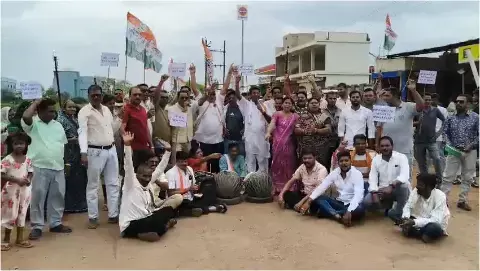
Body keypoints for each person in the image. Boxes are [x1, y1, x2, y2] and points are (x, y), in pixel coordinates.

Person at [21, 99, 71, 240]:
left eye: (54, 111)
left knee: (58, 196)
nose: (53, 113)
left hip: (58, 165)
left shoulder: (58, 125)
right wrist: (36, 103)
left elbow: (63, 145)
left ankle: (55, 223)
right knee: (38, 197)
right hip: (38, 166)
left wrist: (66, 163)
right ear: (40, 111)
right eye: (50, 111)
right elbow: (25, 116)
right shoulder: (32, 124)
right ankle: (37, 226)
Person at [119, 131, 181, 242]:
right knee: (155, 222)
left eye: (149, 177)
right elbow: (128, 165)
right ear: (137, 174)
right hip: (131, 224)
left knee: (168, 211)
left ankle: (160, 229)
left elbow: (160, 168)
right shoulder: (131, 182)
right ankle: (157, 229)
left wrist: (168, 151)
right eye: (144, 176)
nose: (147, 179)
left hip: (147, 216)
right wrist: (127, 145)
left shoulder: (149, 179)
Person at [78, 85, 120, 229]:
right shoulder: (84, 111)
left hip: (111, 149)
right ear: (88, 96)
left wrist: (120, 118)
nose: (96, 97)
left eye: (98, 95)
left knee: (113, 183)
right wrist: (83, 152)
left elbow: (111, 129)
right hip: (94, 151)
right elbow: (82, 132)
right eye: (93, 95)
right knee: (93, 185)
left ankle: (113, 215)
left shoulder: (107, 110)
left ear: (102, 96)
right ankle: (93, 217)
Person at [299, 151, 365, 227]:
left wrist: (349, 210)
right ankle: (336, 216)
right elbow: (322, 186)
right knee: (320, 198)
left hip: (352, 204)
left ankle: (330, 212)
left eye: (346, 160)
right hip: (339, 203)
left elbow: (358, 195)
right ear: (338, 162)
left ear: (350, 161)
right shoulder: (335, 173)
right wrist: (308, 201)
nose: (344, 163)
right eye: (341, 161)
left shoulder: (357, 174)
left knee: (360, 209)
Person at [376, 80, 424, 178]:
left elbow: (421, 106)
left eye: (387, 96)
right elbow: (379, 128)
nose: (384, 98)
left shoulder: (408, 106)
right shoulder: (383, 109)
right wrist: (377, 145)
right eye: (383, 96)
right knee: (387, 176)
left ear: (395, 96)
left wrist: (413, 90)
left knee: (405, 177)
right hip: (387, 150)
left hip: (404, 150)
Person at [440, 94, 479, 211]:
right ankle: (442, 201)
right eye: (457, 101)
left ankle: (463, 200)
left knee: (467, 177)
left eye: (461, 102)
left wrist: (472, 145)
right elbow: (445, 133)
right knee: (447, 176)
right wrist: (450, 145)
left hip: (470, 152)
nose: (458, 104)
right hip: (454, 151)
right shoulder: (451, 117)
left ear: (468, 104)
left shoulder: (476, 117)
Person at [193, 65, 232, 173]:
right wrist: (192, 74)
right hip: (203, 140)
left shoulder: (219, 99)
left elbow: (225, 87)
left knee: (216, 164)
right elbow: (194, 89)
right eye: (209, 94)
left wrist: (229, 73)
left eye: (213, 94)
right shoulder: (202, 101)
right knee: (204, 165)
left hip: (218, 140)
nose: (211, 96)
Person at [364, 136, 411, 224]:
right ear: (379, 147)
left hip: (397, 189)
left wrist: (392, 185)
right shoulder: (376, 159)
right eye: (382, 146)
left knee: (404, 186)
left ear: (392, 146)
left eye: (387, 145)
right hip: (382, 190)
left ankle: (399, 214)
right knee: (367, 202)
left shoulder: (401, 157)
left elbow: (405, 176)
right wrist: (374, 192)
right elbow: (372, 177)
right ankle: (388, 207)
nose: (385, 148)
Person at [166, 151, 227, 217]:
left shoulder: (189, 169)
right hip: (180, 200)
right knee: (185, 202)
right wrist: (188, 189)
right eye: (181, 162)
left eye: (185, 161)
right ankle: (212, 208)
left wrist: (196, 188)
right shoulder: (171, 173)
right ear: (177, 161)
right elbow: (170, 193)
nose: (184, 164)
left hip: (191, 198)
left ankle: (192, 210)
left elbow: (193, 185)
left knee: (208, 190)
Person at [1, 133, 34, 250]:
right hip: (11, 191)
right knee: (10, 214)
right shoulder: (8, 159)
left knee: (22, 212)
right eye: (16, 144)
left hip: (24, 191)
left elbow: (30, 171)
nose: (19, 146)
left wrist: (28, 180)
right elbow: (2, 174)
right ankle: (5, 239)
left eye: (22, 143)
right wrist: (16, 180)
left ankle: (20, 239)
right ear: (11, 145)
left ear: (26, 145)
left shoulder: (28, 159)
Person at [57, 100, 88, 213]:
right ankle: (69, 205)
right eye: (70, 107)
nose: (73, 109)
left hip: (78, 152)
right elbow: (60, 138)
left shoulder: (75, 118)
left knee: (80, 178)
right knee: (69, 178)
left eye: (74, 107)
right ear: (63, 108)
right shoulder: (60, 120)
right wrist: (74, 140)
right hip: (67, 153)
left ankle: (80, 204)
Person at [400, 173, 450, 243]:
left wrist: (414, 222)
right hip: (416, 219)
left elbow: (435, 220)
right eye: (417, 184)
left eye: (420, 185)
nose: (417, 186)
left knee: (434, 228)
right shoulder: (416, 191)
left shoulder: (440, 196)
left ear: (429, 187)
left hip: (432, 223)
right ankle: (421, 234)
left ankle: (414, 232)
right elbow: (408, 206)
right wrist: (406, 218)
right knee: (394, 213)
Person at [266, 97, 299, 194]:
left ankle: (289, 186)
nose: (287, 105)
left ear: (292, 105)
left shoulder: (295, 116)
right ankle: (276, 186)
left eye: (289, 103)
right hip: (277, 144)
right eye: (286, 103)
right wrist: (268, 132)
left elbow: (297, 129)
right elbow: (272, 124)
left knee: (289, 164)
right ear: (282, 104)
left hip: (289, 144)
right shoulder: (277, 114)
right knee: (277, 164)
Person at [236, 84, 271, 173]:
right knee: (250, 161)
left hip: (262, 138)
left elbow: (270, 120)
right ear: (250, 95)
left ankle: (263, 182)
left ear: (260, 94)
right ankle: (250, 182)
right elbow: (237, 94)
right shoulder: (246, 104)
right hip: (250, 139)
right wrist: (237, 83)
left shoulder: (264, 105)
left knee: (262, 161)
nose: (255, 94)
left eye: (257, 93)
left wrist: (262, 111)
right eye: (253, 93)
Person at [413, 93, 445, 183]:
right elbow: (410, 123)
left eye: (429, 100)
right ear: (422, 100)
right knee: (421, 162)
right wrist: (417, 123)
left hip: (432, 140)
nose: (427, 101)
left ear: (431, 101)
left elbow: (445, 121)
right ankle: (425, 179)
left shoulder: (435, 110)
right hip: (419, 140)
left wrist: (438, 133)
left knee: (437, 158)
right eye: (425, 99)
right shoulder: (418, 110)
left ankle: (439, 178)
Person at [122, 86, 154, 169]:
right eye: (135, 95)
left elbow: (145, 128)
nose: (137, 97)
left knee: (145, 173)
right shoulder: (126, 109)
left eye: (139, 95)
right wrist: (128, 147)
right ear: (130, 96)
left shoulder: (143, 109)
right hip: (133, 149)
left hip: (145, 148)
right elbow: (122, 128)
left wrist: (151, 145)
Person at [294, 97, 332, 166]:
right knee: (305, 168)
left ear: (319, 104)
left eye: (316, 103)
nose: (314, 104)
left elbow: (328, 129)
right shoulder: (302, 117)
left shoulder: (324, 116)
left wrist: (316, 130)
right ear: (308, 105)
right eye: (312, 103)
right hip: (305, 148)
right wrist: (304, 131)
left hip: (321, 149)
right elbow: (296, 130)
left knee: (320, 168)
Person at [169, 89, 195, 155]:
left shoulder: (190, 109)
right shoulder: (171, 109)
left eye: (186, 98)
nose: (184, 99)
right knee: (177, 161)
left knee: (187, 160)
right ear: (177, 98)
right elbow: (172, 123)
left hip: (188, 140)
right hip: (177, 141)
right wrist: (183, 112)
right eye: (182, 98)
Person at [322, 91, 342, 171]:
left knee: (337, 161)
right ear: (326, 99)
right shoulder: (322, 111)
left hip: (338, 139)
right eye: (330, 98)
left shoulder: (340, 111)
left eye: (334, 98)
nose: (332, 100)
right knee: (326, 161)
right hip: (326, 140)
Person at [430, 93, 448, 176]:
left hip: (439, 136)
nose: (433, 101)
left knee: (440, 155)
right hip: (427, 136)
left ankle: (443, 171)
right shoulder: (426, 109)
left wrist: (438, 134)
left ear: (437, 100)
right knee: (427, 156)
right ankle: (427, 172)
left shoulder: (443, 110)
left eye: (435, 99)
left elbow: (445, 123)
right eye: (432, 99)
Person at [223, 89, 245, 155]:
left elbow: (247, 121)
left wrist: (244, 129)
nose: (231, 99)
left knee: (241, 158)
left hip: (240, 140)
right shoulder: (224, 109)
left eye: (233, 97)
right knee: (228, 159)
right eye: (230, 98)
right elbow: (221, 121)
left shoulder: (242, 108)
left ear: (236, 98)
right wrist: (224, 129)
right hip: (228, 140)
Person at [152, 75, 171, 144]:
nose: (164, 99)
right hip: (158, 142)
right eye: (162, 97)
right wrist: (161, 82)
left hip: (169, 142)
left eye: (166, 98)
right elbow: (156, 96)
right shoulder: (156, 108)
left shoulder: (169, 109)